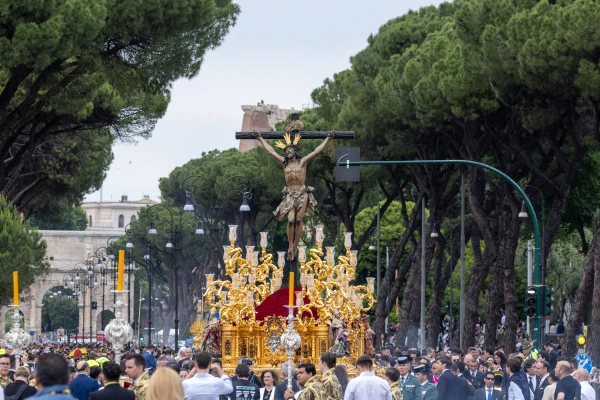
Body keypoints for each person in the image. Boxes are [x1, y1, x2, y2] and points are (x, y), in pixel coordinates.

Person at [253, 127, 335, 260]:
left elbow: (316, 151)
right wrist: (260, 139)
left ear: (295, 151)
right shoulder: (284, 164)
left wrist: (327, 139)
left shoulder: (302, 162)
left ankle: (296, 246)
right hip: (290, 194)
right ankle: (290, 245)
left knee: (298, 219)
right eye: (286, 151)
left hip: (302, 194)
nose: (287, 152)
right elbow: (271, 151)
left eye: (289, 150)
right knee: (291, 220)